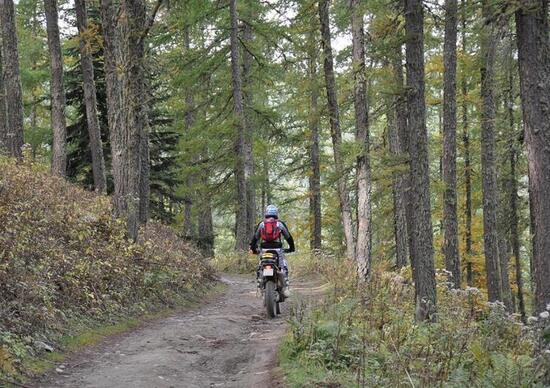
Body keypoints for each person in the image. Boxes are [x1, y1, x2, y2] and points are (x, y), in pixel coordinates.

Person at [249, 204, 295, 297]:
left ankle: (259, 285)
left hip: (264, 250)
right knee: (283, 267)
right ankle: (285, 287)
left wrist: (253, 249)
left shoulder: (262, 224)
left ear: (266, 213)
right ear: (276, 213)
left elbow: (255, 239)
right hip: (277, 249)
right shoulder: (280, 224)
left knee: (261, 266)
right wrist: (291, 248)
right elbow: (288, 237)